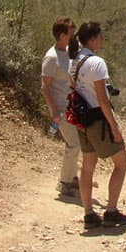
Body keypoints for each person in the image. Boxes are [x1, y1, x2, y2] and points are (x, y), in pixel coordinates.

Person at [68, 21, 126, 229]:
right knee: (121, 162)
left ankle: (89, 213)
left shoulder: (74, 61)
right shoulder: (96, 62)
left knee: (88, 166)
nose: (103, 40)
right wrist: (114, 127)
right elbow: (102, 99)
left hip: (83, 120)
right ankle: (111, 210)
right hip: (98, 119)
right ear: (93, 38)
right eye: (101, 36)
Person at [41, 17, 81, 197]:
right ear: (62, 35)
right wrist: (54, 111)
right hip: (62, 108)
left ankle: (72, 177)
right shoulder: (51, 58)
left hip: (72, 105)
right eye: (71, 33)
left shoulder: (69, 52)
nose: (74, 36)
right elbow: (45, 86)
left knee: (77, 142)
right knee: (73, 144)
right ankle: (64, 181)